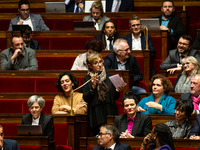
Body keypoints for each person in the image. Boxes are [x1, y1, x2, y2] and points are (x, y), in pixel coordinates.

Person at [80, 52, 123, 136]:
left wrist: (118, 91)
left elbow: (115, 97)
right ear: (90, 66)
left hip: (110, 111)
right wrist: (93, 87)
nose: (99, 65)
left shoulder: (110, 76)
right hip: (95, 113)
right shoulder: (87, 79)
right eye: (96, 63)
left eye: (100, 61)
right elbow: (86, 98)